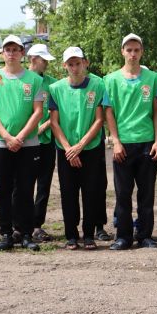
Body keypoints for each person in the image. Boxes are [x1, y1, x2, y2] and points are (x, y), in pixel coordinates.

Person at [103, 33, 157, 250]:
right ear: (122, 52)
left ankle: (145, 235)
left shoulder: (153, 78)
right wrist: (116, 141)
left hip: (147, 141)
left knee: (146, 193)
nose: (133, 54)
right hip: (123, 144)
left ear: (142, 52)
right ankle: (123, 237)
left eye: (137, 50)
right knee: (123, 193)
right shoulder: (110, 80)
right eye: (129, 50)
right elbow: (108, 112)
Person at [0, 35, 43, 251]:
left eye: (15, 49)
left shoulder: (34, 79)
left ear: (22, 53)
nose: (11, 53)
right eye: (7, 49)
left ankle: (26, 233)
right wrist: (8, 137)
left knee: (26, 189)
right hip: (1, 144)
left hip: (28, 143)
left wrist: (20, 137)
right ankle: (6, 234)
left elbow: (38, 111)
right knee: (4, 190)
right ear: (2, 53)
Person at [48, 47, 105, 250]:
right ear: (65, 65)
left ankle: (88, 235)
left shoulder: (98, 84)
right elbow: (54, 122)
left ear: (85, 63)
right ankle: (71, 235)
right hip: (66, 149)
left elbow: (99, 120)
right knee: (68, 193)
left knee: (91, 192)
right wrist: (68, 148)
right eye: (70, 64)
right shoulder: (55, 88)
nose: (74, 67)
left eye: (78, 63)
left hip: (90, 147)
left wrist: (80, 146)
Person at [26, 44, 57, 242]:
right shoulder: (23, 80)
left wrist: (44, 126)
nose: (46, 63)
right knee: (24, 183)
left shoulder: (52, 84)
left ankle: (37, 225)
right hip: (26, 141)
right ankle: (22, 223)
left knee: (44, 184)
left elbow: (56, 112)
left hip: (46, 141)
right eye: (43, 59)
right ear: (32, 59)